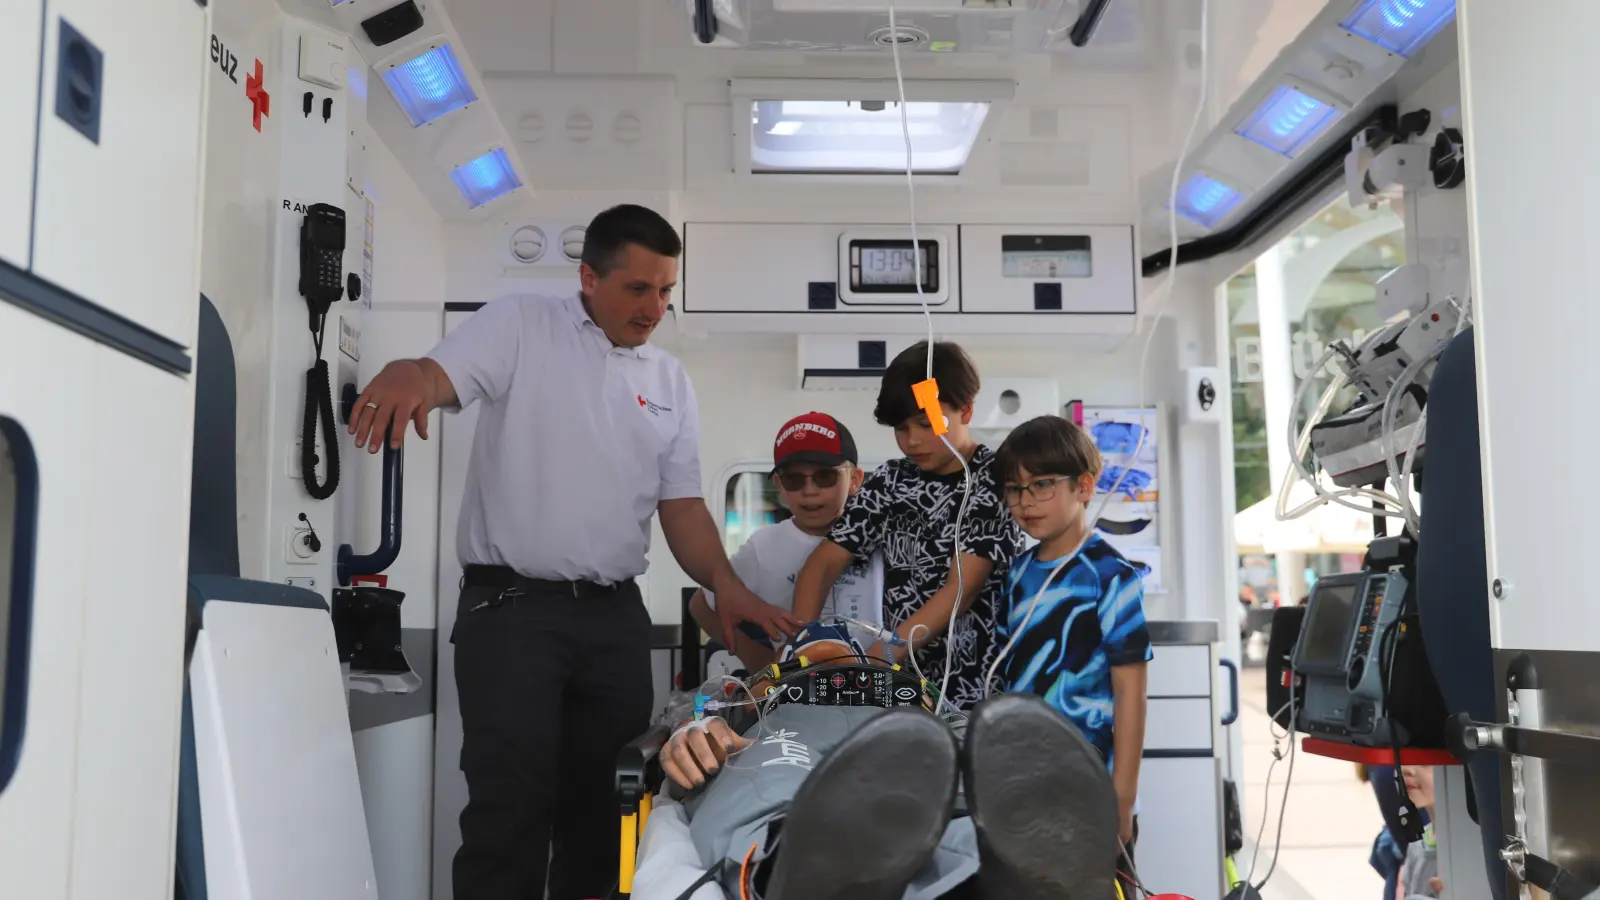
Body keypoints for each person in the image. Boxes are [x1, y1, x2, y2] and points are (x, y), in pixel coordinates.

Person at [347, 204, 795, 900]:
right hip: (514, 611)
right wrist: (412, 371)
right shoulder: (523, 324)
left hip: (613, 619)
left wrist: (726, 587)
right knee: (508, 810)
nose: (655, 307)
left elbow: (681, 508)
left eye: (667, 291)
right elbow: (441, 376)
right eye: (638, 289)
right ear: (588, 277)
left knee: (606, 812)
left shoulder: (670, 382)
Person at [655, 627, 1122, 900]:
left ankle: (1013, 866)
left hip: (904, 736)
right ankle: (783, 867)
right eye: (815, 658)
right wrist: (688, 734)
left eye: (845, 659)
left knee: (963, 786)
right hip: (785, 729)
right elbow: (682, 718)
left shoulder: (919, 697)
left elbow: (972, 734)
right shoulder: (742, 693)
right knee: (769, 778)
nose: (835, 668)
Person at [791, 341, 1023, 709]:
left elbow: (963, 588)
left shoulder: (997, 480)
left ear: (966, 410)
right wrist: (800, 654)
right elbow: (820, 566)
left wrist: (875, 661)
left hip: (977, 693)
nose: (912, 440)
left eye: (926, 423)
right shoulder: (890, 482)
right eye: (901, 427)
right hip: (901, 691)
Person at [991, 415, 1152, 898]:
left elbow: (1131, 692)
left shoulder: (1110, 575)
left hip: (1091, 790)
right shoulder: (1017, 575)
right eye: (1014, 489)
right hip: (1024, 788)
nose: (1024, 501)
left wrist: (1121, 799)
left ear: (1084, 486)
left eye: (1041, 485)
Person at [688, 412, 885, 671]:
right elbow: (701, 605)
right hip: (798, 686)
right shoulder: (763, 547)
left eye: (825, 476)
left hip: (873, 681)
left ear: (855, 480)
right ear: (780, 485)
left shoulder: (880, 539)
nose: (809, 489)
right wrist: (752, 654)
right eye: (794, 479)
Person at [1397, 766, 1444, 899]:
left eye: (1424, 763)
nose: (1406, 769)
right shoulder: (1417, 844)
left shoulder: (1472, 848)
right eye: (1403, 759)